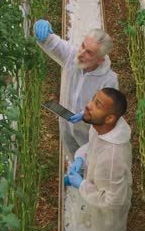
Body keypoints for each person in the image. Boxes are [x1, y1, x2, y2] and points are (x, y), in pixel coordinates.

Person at [64, 88, 132, 231]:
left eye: (97, 105)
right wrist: (80, 158)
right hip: (98, 192)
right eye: (93, 99)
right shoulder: (103, 128)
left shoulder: (113, 158)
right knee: (100, 226)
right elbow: (92, 147)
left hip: (111, 208)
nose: (88, 105)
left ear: (110, 118)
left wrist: (82, 184)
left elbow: (113, 201)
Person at [33, 19, 119, 157]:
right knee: (72, 154)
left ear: (100, 60)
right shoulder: (73, 57)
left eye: (89, 52)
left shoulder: (108, 81)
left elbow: (108, 117)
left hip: (89, 136)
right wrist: (40, 27)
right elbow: (53, 43)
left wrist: (88, 117)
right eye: (82, 46)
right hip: (67, 125)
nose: (81, 53)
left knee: (89, 163)